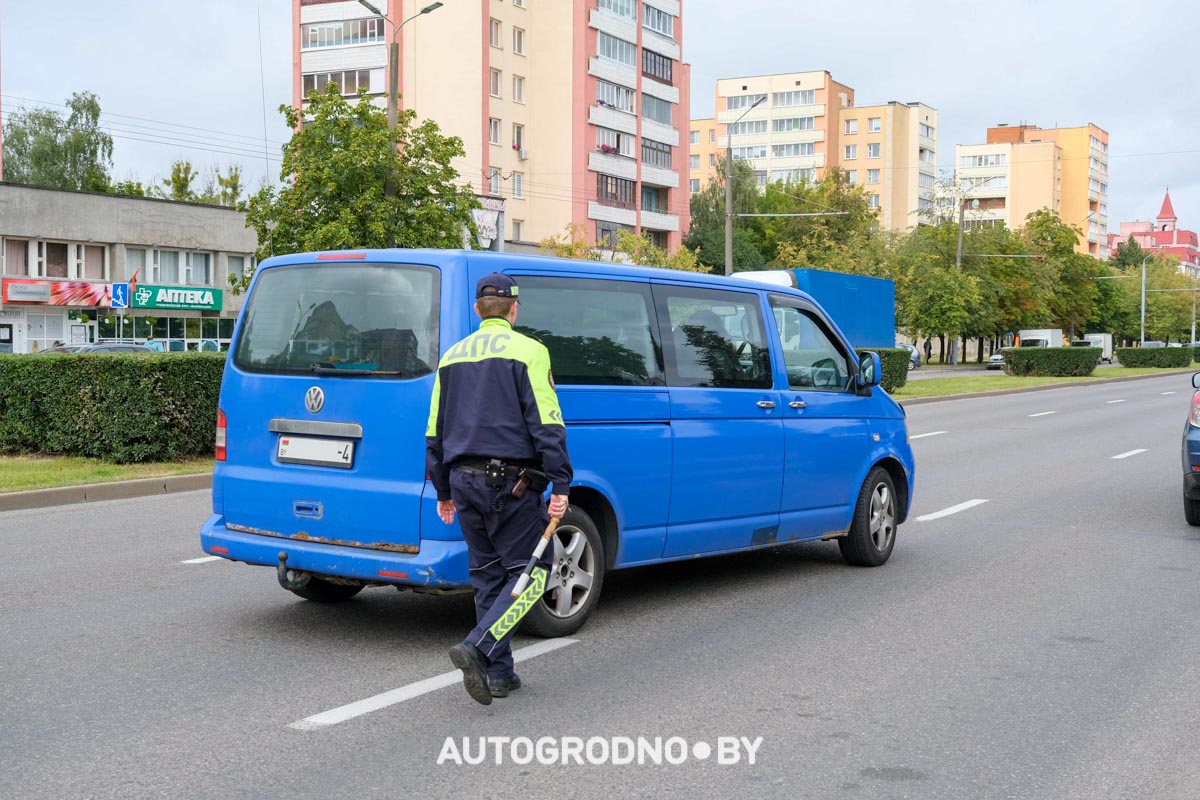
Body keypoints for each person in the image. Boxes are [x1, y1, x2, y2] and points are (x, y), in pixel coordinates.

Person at [426, 273, 571, 705]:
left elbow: (435, 429)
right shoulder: (530, 351)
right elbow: (546, 422)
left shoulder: (451, 356)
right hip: (509, 484)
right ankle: (479, 646)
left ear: (477, 310)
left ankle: (500, 675)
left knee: (489, 576)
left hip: (462, 480)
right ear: (514, 309)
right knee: (534, 573)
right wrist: (560, 481)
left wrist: (442, 490)